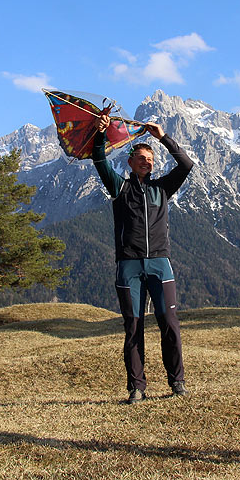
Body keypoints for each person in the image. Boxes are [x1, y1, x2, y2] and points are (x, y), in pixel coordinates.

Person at [92, 113, 193, 404]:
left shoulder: (162, 188)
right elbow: (99, 160)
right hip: (129, 266)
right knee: (134, 328)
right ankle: (137, 387)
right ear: (130, 162)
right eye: (141, 158)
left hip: (161, 265)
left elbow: (186, 165)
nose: (147, 162)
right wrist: (101, 133)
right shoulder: (119, 188)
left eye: (150, 159)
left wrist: (162, 137)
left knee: (169, 324)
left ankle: (177, 382)